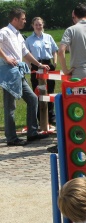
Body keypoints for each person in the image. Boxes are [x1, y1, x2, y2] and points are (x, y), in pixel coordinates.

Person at [0, 8, 50, 146]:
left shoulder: (19, 35)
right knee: (10, 106)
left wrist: (39, 64)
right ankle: (11, 138)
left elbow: (25, 53)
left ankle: (32, 133)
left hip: (18, 73)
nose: (25, 21)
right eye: (23, 19)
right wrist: (7, 58)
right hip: (9, 73)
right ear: (15, 19)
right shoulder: (4, 32)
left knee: (33, 99)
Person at [25, 17, 58, 127]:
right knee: (38, 91)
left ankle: (51, 116)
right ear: (32, 25)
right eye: (36, 25)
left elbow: (55, 51)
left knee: (50, 90)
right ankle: (40, 117)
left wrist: (55, 63)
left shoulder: (49, 37)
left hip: (48, 65)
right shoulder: (29, 40)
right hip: (36, 66)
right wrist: (30, 66)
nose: (38, 26)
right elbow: (26, 54)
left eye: (40, 24)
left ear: (43, 25)